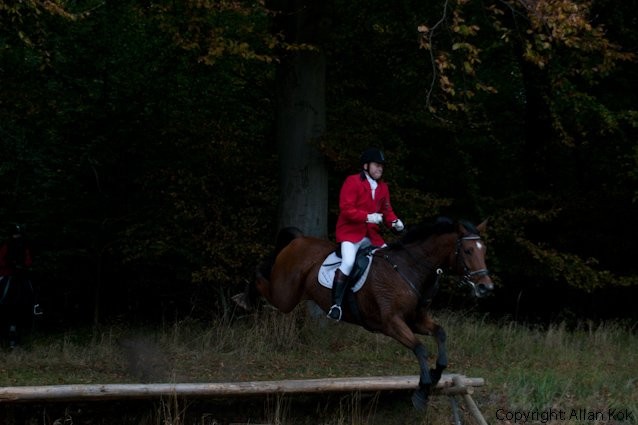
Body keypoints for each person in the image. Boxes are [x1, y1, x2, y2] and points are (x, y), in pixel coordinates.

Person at [327, 148, 404, 321]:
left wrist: (395, 222)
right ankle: (336, 305)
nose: (380, 168)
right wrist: (367, 217)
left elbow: (387, 211)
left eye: (382, 166)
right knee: (348, 262)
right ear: (366, 166)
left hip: (371, 236)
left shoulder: (383, 187)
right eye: (377, 165)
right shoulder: (352, 181)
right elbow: (346, 209)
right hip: (350, 234)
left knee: (390, 261)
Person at [0, 225, 33, 347]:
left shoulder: (24, 245)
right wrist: (9, 264)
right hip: (7, 273)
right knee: (3, 286)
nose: (17, 236)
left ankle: (35, 306)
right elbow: (0, 259)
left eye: (18, 234)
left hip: (20, 273)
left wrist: (23, 265)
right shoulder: (6, 245)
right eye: (15, 234)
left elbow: (28, 259)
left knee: (30, 287)